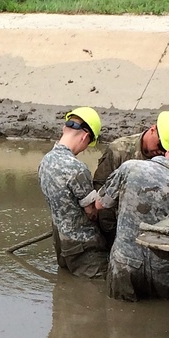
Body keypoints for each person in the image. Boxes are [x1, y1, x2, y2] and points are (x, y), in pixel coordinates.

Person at [95, 138, 169, 301]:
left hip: (125, 263)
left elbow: (100, 204)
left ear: (168, 151)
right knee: (166, 318)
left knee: (117, 317)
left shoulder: (130, 167)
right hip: (163, 270)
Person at [38, 107, 108, 279]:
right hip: (84, 248)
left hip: (62, 244)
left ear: (64, 129)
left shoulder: (45, 162)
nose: (84, 149)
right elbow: (92, 211)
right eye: (87, 144)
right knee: (97, 290)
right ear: (85, 137)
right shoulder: (76, 168)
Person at [92, 109, 169, 187]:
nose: (163, 153)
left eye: (168, 150)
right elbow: (100, 185)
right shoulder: (118, 150)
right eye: (161, 146)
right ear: (153, 129)